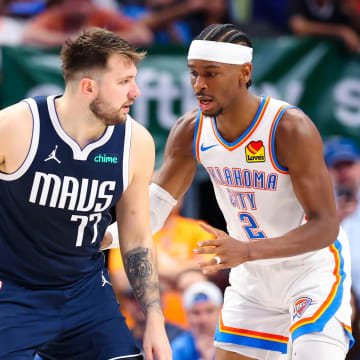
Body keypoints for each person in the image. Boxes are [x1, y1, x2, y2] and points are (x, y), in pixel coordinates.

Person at [148, 23, 353, 359]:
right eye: (194, 74)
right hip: (253, 281)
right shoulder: (191, 130)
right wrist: (106, 235)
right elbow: (155, 206)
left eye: (211, 74)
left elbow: (326, 225)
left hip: (310, 273)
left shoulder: (288, 128)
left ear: (245, 73)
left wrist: (246, 250)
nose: (199, 85)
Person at [0, 27, 171, 360]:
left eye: (134, 79)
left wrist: (154, 319)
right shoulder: (17, 126)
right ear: (88, 87)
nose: (136, 91)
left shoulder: (136, 143)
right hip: (15, 292)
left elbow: (136, 237)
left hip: (86, 293)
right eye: (124, 82)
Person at [171, 281, 223, 360]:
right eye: (196, 313)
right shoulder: (179, 348)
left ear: (220, 312)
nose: (203, 319)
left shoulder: (231, 345)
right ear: (187, 316)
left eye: (209, 311)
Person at [287, 0, 360, 52]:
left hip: (338, 58)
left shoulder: (340, 3)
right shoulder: (298, 2)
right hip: (307, 55)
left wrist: (353, 14)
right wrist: (340, 31)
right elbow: (299, 27)